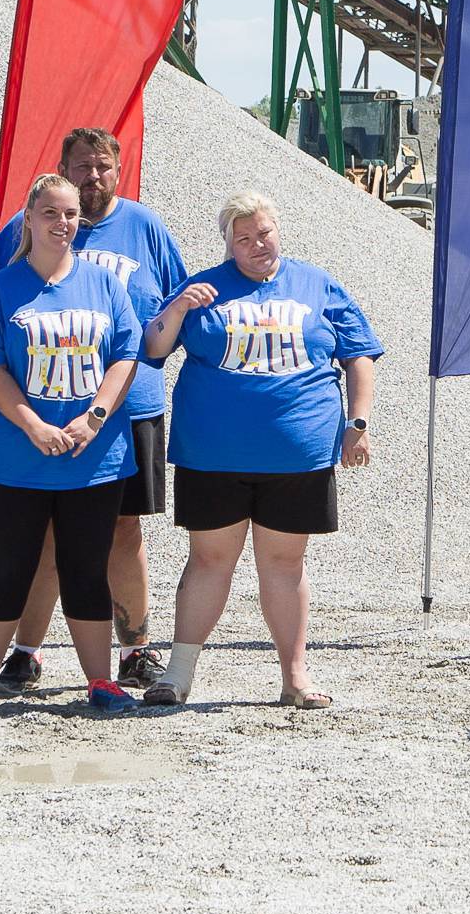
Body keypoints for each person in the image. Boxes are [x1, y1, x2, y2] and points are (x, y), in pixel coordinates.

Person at [136, 191, 380, 710]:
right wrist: (178, 306)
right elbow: (154, 347)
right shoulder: (202, 286)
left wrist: (357, 423)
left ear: (278, 230)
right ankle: (177, 675)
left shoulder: (317, 284)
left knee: (285, 565)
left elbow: (359, 355)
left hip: (298, 455)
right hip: (212, 455)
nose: (255, 245)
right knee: (209, 560)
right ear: (228, 244)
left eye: (262, 233)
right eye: (242, 238)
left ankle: (295, 677)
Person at [0, 126, 187, 689]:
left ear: (118, 169)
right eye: (81, 166)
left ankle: (135, 650)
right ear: (63, 168)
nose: (93, 177)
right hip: (46, 411)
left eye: (103, 166)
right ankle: (27, 650)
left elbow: (178, 309)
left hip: (129, 409)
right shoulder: (22, 230)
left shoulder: (145, 227)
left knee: (124, 531)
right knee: (47, 533)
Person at [0, 173, 143, 716]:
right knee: (9, 566)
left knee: (85, 568)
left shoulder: (104, 284)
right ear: (28, 219)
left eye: (72, 215)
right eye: (51, 213)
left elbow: (126, 354)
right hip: (15, 459)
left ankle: (100, 683)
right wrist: (32, 424)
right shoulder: (1, 287)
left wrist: (94, 417)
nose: (63, 224)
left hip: (93, 460)